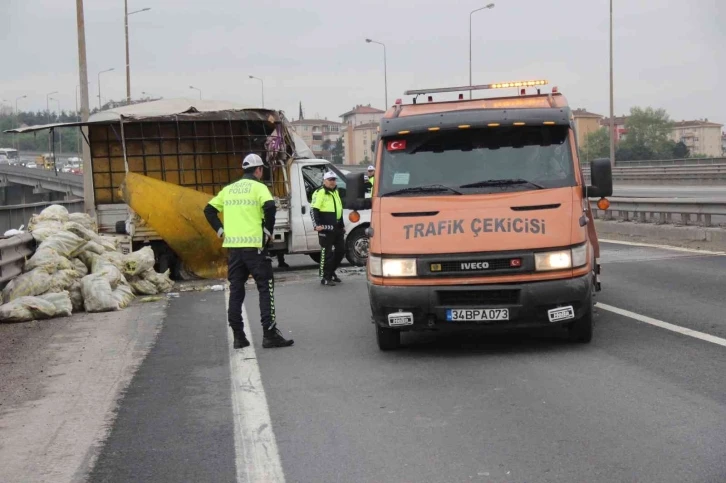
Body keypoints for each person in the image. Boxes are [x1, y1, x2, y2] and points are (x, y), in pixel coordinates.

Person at [204, 153, 294, 350]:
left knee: (236, 290)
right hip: (255, 247)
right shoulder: (259, 187)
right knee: (265, 287)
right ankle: (269, 334)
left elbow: (208, 210)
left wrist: (221, 231)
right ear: (259, 170)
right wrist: (268, 231)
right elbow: (270, 207)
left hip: (234, 249)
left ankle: (238, 336)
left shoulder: (229, 189)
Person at [311, 171, 345, 286]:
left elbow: (339, 210)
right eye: (330, 180)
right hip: (325, 228)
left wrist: (342, 224)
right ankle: (325, 277)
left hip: (337, 228)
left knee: (341, 251)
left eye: (334, 180)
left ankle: (331, 272)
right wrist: (316, 225)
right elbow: (313, 210)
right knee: (327, 254)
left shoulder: (335, 192)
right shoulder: (320, 192)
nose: (332, 182)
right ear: (324, 181)